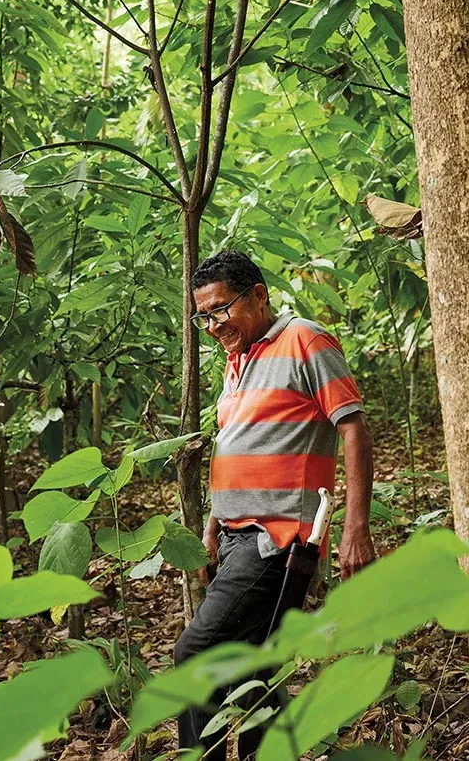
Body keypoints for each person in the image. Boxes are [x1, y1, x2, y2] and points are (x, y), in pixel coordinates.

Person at [173, 250, 376, 758]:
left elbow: (352, 428)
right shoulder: (236, 360)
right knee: (254, 666)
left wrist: (356, 529)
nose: (216, 324)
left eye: (223, 308)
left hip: (278, 537)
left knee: (194, 654)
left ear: (259, 295)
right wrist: (214, 524)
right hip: (238, 535)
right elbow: (236, 442)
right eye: (205, 316)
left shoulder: (304, 339)